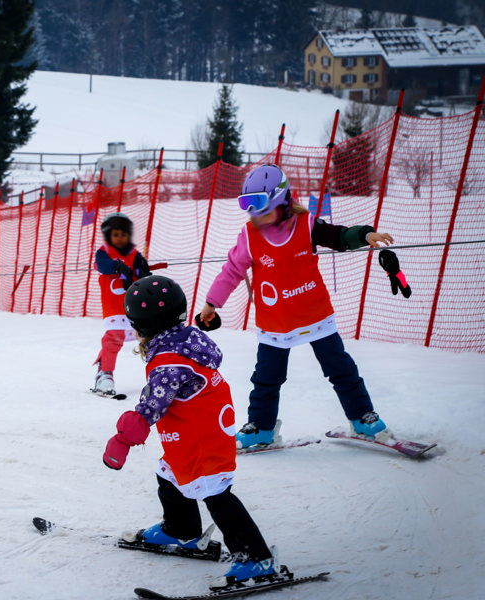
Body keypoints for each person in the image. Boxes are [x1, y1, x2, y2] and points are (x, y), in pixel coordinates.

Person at [197, 164, 395, 448]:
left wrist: (364, 235)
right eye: (248, 208)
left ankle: (362, 418)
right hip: (275, 322)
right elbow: (232, 271)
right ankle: (262, 429)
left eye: (261, 207)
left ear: (281, 200)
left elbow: (338, 237)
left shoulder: (306, 225)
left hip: (315, 316)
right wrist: (212, 303)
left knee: (341, 370)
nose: (256, 216)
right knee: (266, 379)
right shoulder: (249, 236)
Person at [104, 275, 278, 589]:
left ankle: (255, 558)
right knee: (169, 475)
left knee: (215, 494)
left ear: (143, 326)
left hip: (202, 437)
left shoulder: (169, 363)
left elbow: (150, 406)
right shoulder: (184, 339)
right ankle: (181, 531)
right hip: (194, 430)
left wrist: (123, 438)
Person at [92, 212, 152, 395]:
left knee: (149, 337)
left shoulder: (134, 253)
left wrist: (142, 269)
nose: (120, 239)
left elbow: (143, 272)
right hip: (114, 306)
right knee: (114, 338)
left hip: (136, 305)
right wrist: (117, 266)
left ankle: (159, 373)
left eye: (124, 235)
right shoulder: (104, 252)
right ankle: (104, 374)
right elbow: (102, 265)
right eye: (115, 235)